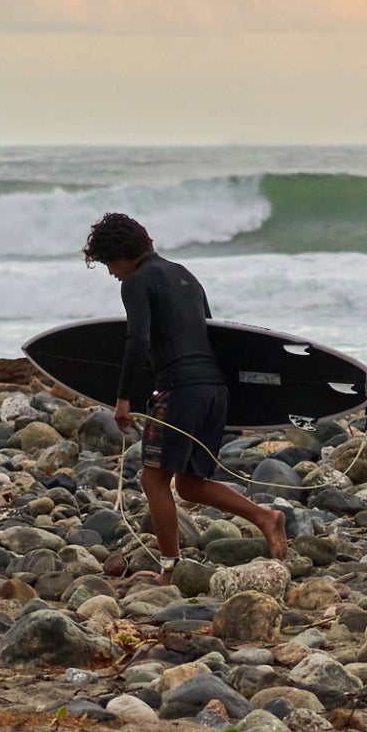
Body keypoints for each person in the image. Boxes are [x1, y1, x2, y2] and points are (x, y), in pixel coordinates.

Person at [83, 211, 288, 574]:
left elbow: (138, 339)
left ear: (121, 254)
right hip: (213, 390)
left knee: (152, 479)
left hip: (180, 390)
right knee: (191, 484)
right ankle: (266, 517)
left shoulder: (135, 282)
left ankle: (170, 568)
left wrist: (124, 397)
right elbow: (216, 334)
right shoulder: (185, 276)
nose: (111, 271)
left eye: (109, 263)